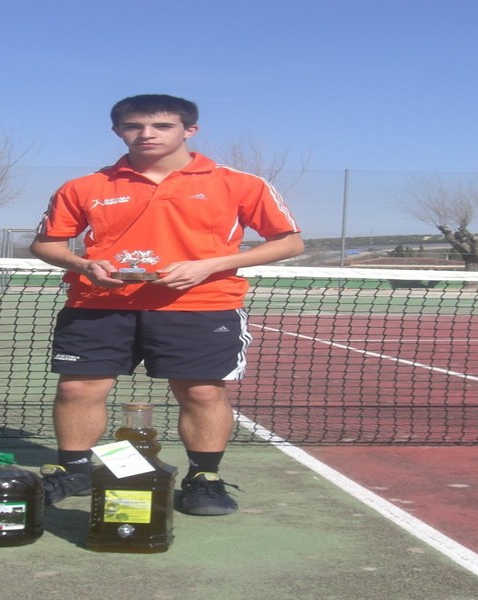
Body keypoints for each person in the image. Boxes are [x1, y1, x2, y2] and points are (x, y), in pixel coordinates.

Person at [29, 94, 303, 516]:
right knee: (76, 389)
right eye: (134, 126)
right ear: (118, 131)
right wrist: (84, 264)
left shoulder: (240, 184)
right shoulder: (83, 187)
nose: (147, 134)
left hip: (201, 303)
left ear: (189, 130)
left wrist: (211, 265)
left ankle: (204, 478)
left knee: (202, 392)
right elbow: (46, 244)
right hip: (98, 303)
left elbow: (289, 243)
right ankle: (74, 470)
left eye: (162, 126)